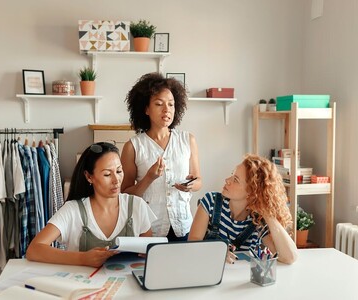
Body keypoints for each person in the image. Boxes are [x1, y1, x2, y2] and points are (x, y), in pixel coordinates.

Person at [26, 142, 156, 267]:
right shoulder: (73, 210)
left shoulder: (137, 206)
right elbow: (34, 250)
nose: (116, 180)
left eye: (119, 171)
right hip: (81, 287)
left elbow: (148, 254)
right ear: (89, 177)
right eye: (107, 174)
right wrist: (82, 258)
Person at [121, 72, 202, 242]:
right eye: (159, 104)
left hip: (183, 227)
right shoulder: (133, 147)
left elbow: (198, 181)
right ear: (146, 109)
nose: (167, 110)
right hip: (149, 229)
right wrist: (149, 178)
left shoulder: (188, 140)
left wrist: (191, 185)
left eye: (171, 104)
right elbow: (125, 194)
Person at [188, 154, 298, 265]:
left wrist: (268, 214)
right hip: (207, 272)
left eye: (235, 180)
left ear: (252, 192)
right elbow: (192, 244)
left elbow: (289, 258)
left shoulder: (258, 219)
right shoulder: (211, 201)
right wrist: (215, 251)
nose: (227, 180)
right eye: (232, 175)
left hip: (240, 279)